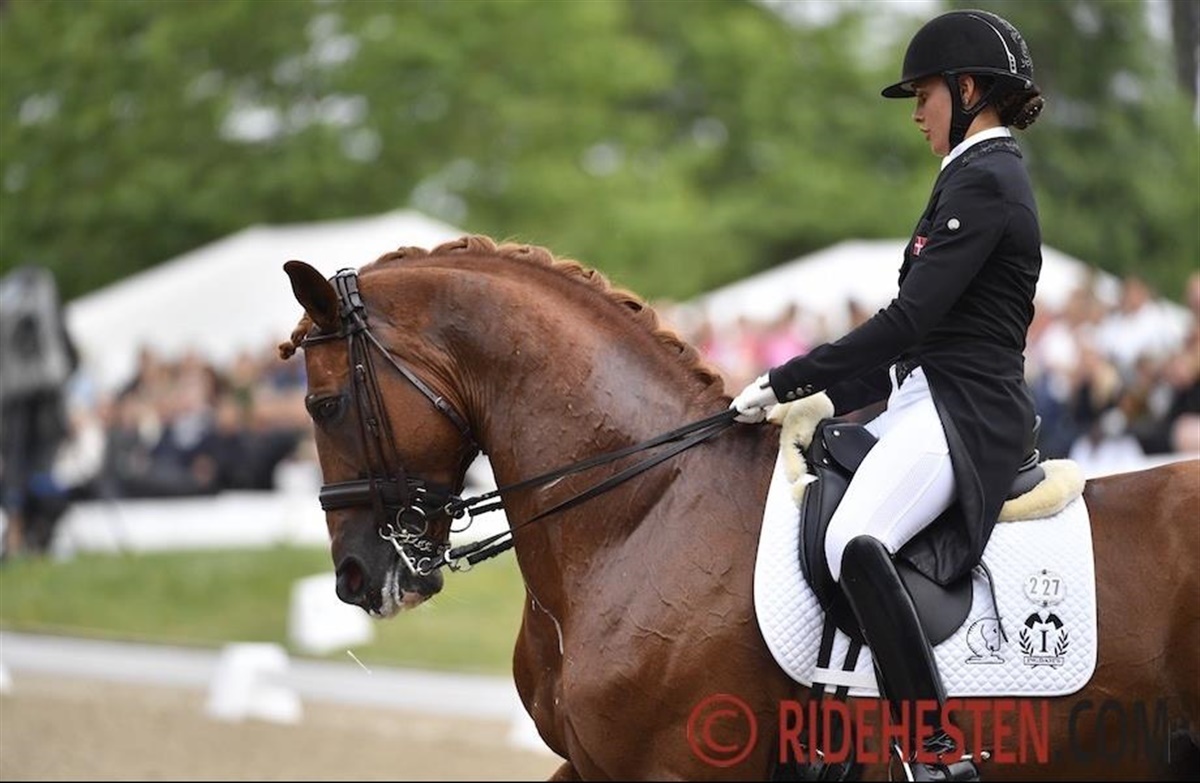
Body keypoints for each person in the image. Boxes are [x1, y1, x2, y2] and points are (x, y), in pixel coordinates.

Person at [731, 9, 1046, 781]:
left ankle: (935, 752)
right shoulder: (968, 174)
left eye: (925, 94)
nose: (915, 113)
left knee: (854, 536)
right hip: (927, 397)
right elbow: (913, 344)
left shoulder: (988, 177)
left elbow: (907, 320)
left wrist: (790, 376)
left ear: (968, 90)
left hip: (966, 412)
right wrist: (821, 402)